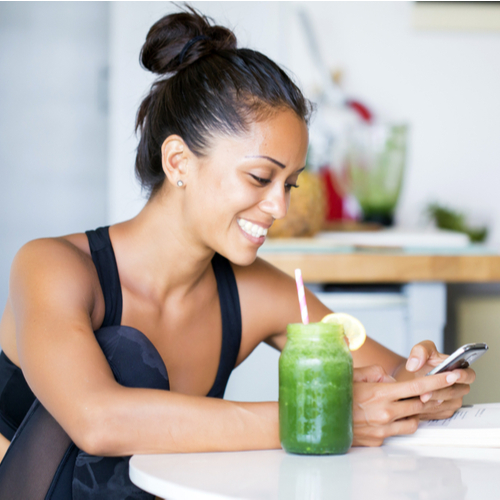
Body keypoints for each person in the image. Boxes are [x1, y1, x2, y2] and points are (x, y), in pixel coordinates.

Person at [0, 7, 474, 500]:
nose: (280, 207)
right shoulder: (53, 267)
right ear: (178, 161)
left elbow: (391, 375)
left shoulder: (259, 293)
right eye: (259, 178)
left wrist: (424, 387)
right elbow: (97, 420)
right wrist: (323, 420)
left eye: (289, 184)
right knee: (125, 354)